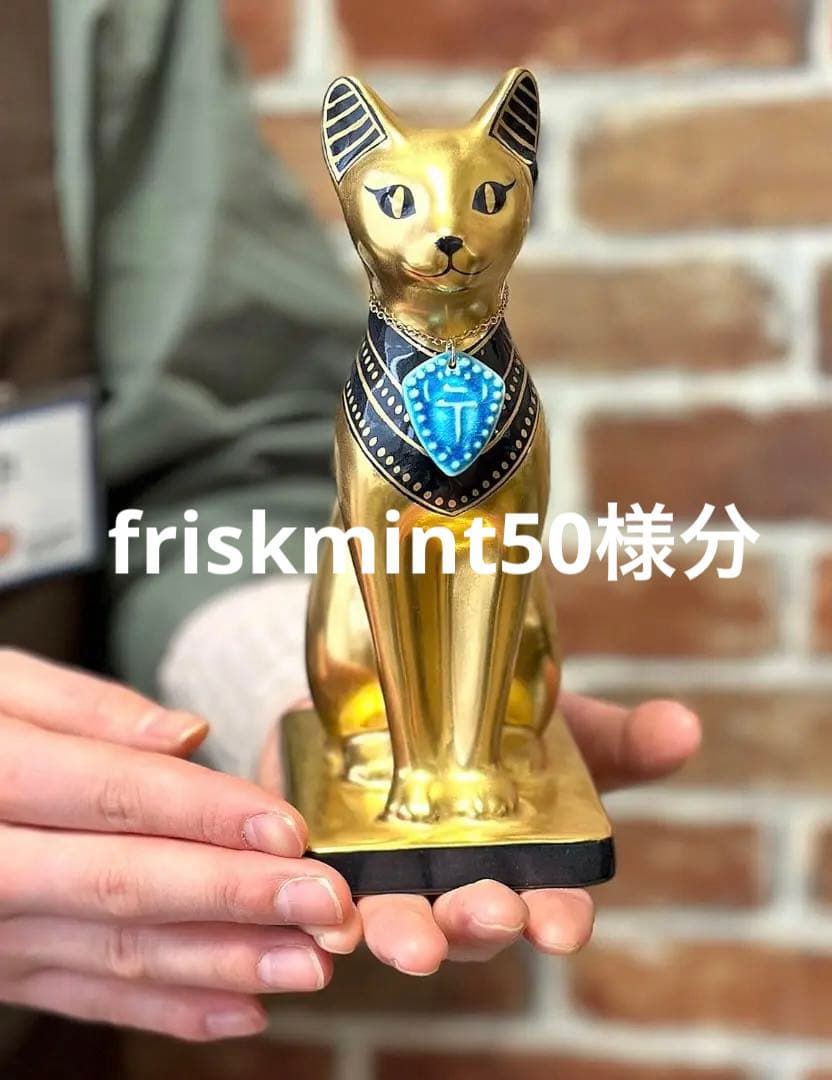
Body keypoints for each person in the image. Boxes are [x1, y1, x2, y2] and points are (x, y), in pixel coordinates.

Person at [0, 0, 701, 1052]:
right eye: (403, 202)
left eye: (486, 197)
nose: (448, 233)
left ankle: (459, 752)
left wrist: (263, 670)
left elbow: (228, 439)